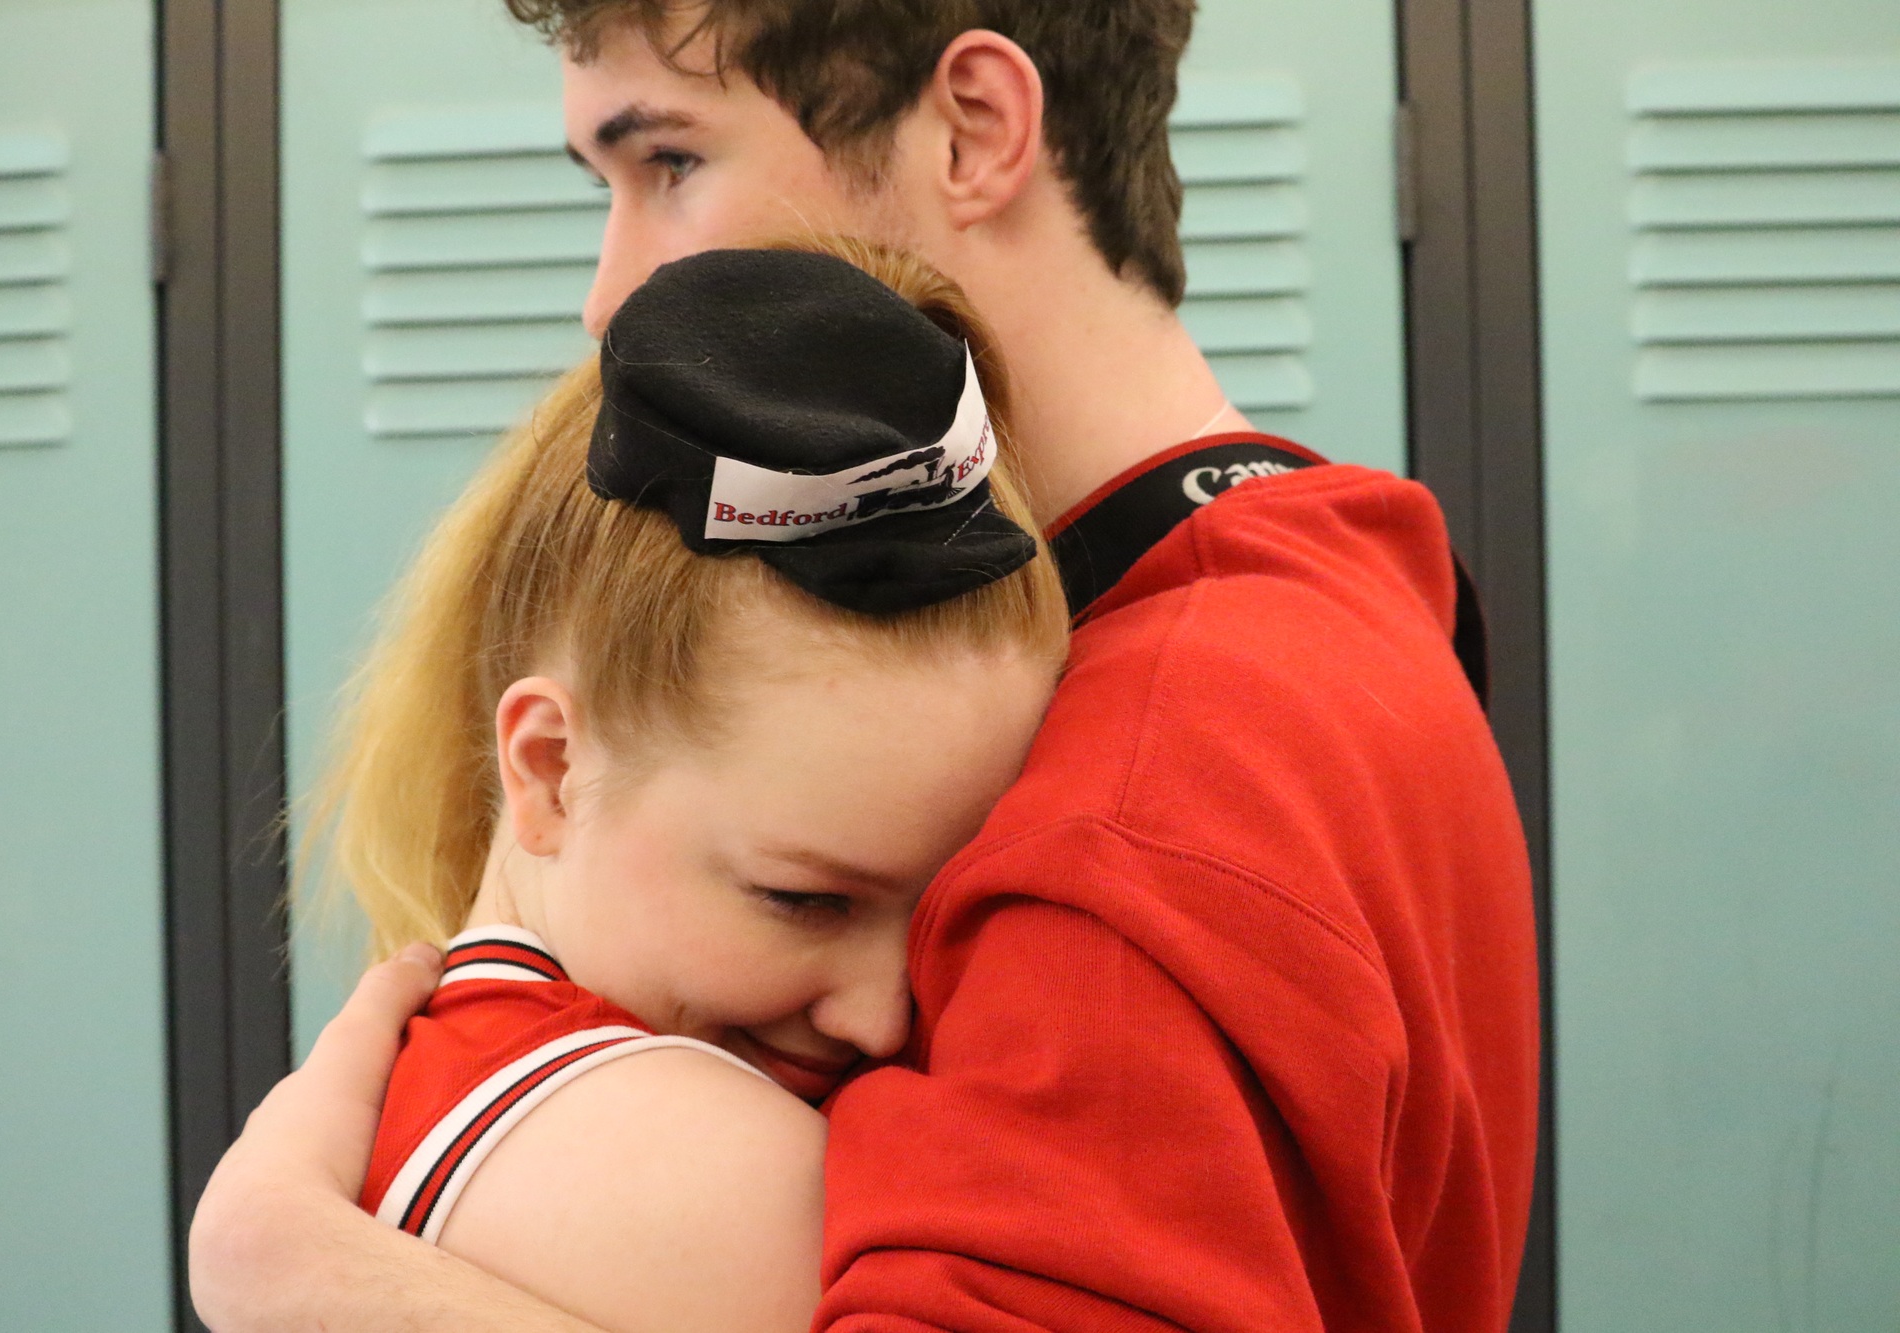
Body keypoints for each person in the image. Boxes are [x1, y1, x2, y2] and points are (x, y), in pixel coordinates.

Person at [189, 2, 1542, 1330]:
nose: (606, 300)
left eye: (671, 161)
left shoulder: (1149, 775)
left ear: (972, 130)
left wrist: (316, 1276)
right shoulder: (1332, 610)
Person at [307, 238, 1068, 1332]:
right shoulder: (693, 1171)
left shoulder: (421, 1080)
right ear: (550, 768)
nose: (882, 1014)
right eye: (803, 899)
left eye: (948, 911)